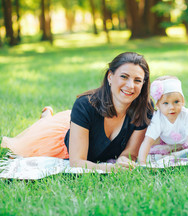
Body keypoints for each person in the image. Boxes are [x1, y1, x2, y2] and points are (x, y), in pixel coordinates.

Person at [1, 52, 154, 172]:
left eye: (137, 80)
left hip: (82, 123)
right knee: (42, 131)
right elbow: (76, 162)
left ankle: (49, 118)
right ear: (110, 76)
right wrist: (107, 168)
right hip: (60, 143)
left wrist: (123, 162)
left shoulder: (144, 107)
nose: (130, 85)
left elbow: (130, 153)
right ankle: (46, 118)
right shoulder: (85, 105)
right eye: (124, 77)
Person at [138, 76, 188, 165]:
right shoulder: (158, 119)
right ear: (158, 105)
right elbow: (147, 141)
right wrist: (142, 163)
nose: (172, 107)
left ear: (183, 101)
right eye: (166, 103)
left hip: (187, 137)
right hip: (168, 140)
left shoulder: (186, 116)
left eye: (176, 102)